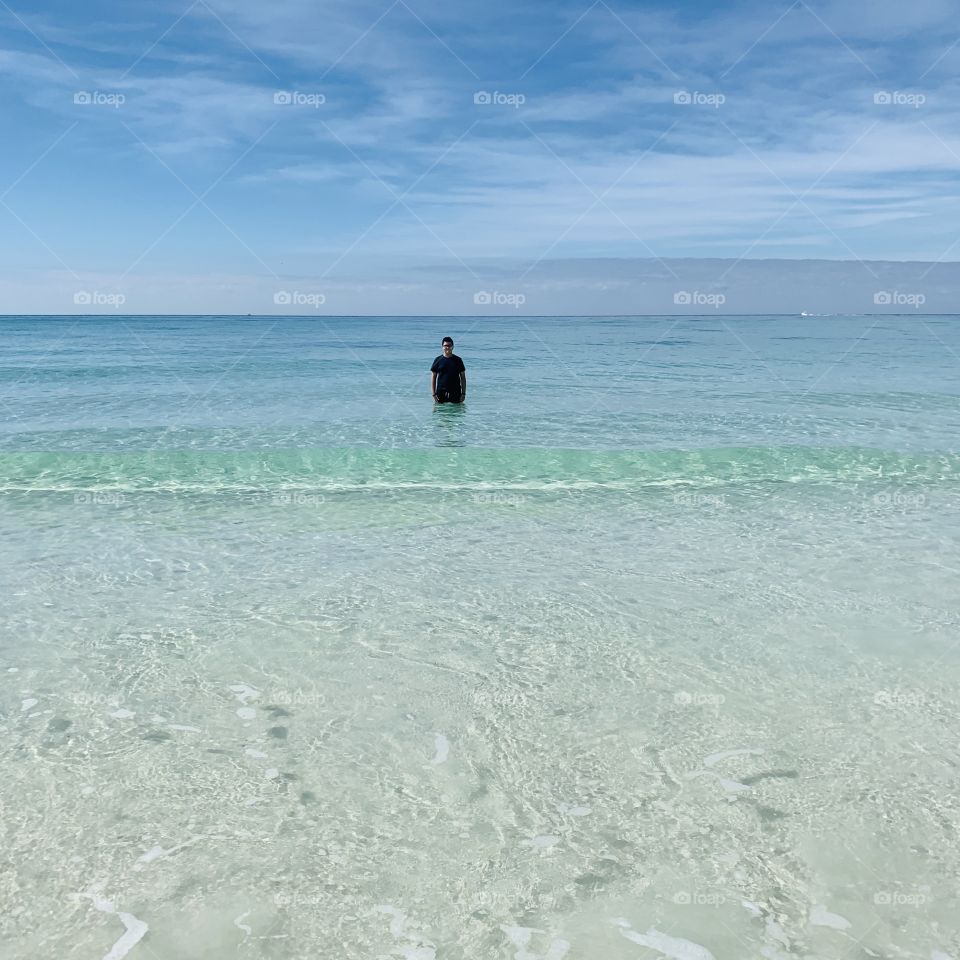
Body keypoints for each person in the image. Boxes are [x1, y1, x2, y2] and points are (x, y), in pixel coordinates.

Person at [430, 336, 467, 404]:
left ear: (453, 347)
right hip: (440, 393)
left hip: (456, 392)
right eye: (445, 345)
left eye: (449, 345)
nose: (447, 347)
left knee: (456, 413)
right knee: (441, 413)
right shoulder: (437, 360)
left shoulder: (458, 360)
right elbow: (433, 377)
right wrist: (434, 394)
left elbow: (463, 378)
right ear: (442, 347)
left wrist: (463, 393)